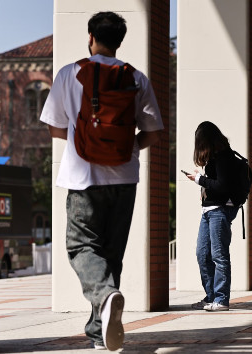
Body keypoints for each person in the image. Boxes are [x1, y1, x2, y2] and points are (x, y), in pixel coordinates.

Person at [39, 12, 163, 351]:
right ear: (119, 41)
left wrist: (83, 142)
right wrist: (127, 149)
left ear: (90, 37)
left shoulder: (69, 73)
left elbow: (52, 126)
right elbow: (153, 133)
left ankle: (106, 299)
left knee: (81, 247)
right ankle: (99, 334)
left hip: (83, 177)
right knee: (111, 255)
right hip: (125, 177)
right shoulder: (136, 78)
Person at [184, 121, 239, 312]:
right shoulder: (215, 158)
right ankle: (211, 296)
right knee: (202, 254)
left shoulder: (224, 157)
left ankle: (221, 299)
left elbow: (222, 186)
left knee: (219, 255)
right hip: (207, 211)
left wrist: (199, 179)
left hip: (220, 210)